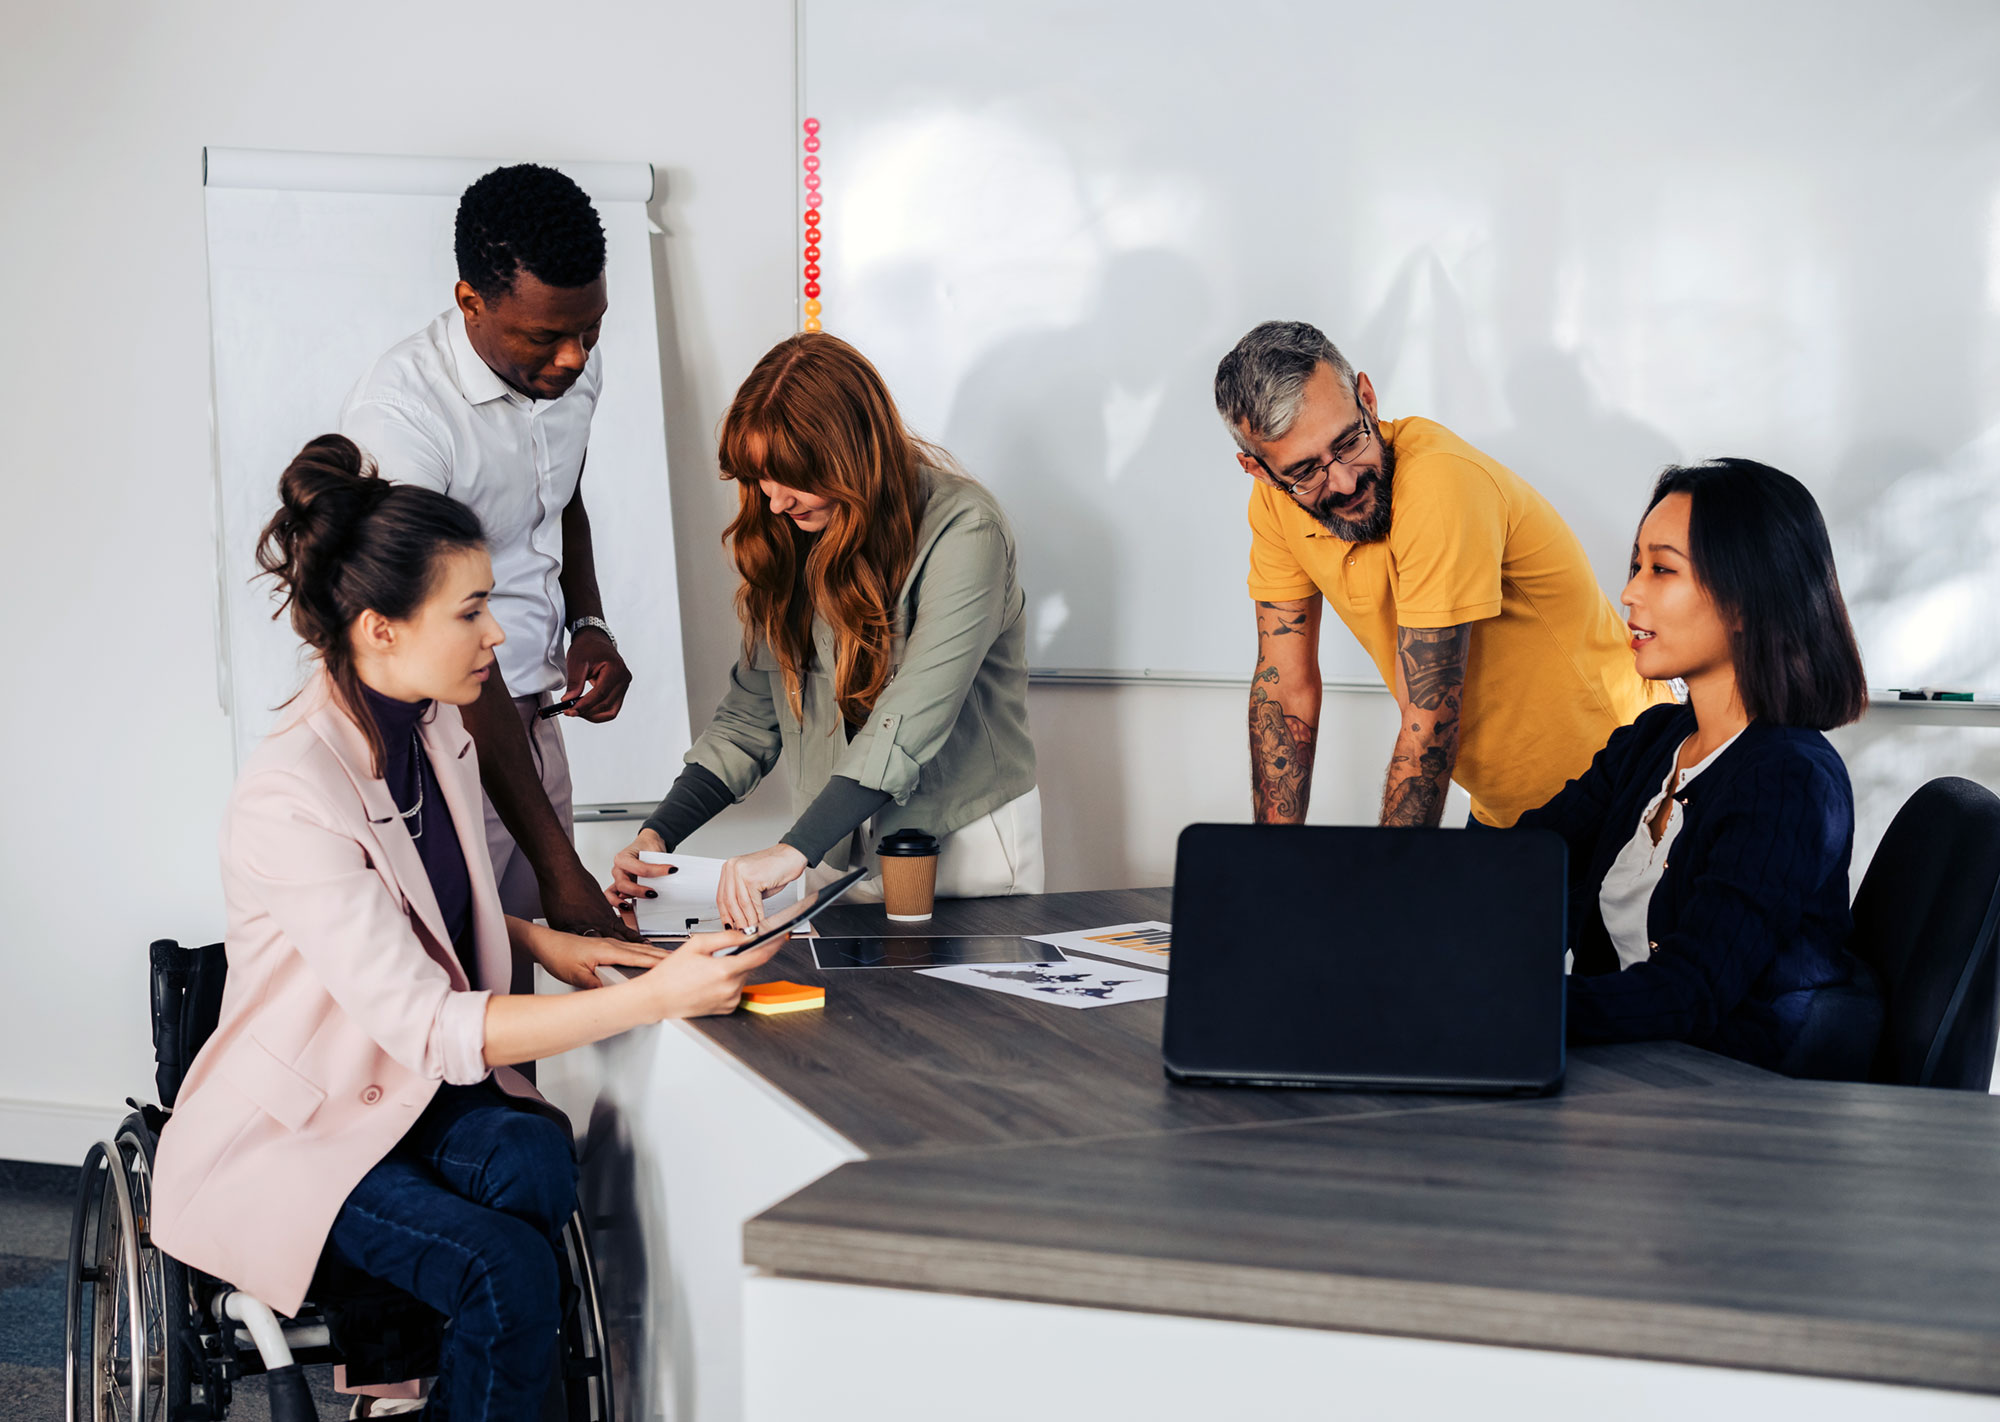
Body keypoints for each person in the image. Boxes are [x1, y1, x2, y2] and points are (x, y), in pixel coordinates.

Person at [150, 437, 779, 1418]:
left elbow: (420, 906)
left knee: (535, 1157)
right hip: (307, 1126)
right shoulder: (290, 794)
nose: (499, 636)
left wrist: (538, 940)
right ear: (381, 630)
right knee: (505, 1274)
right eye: (471, 610)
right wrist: (655, 997)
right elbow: (431, 1024)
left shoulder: (435, 725)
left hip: (411, 1095)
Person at [608, 333, 1041, 930]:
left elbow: (911, 716)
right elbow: (750, 717)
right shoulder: (791, 531)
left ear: (851, 456)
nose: (776, 500)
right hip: (835, 849)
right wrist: (658, 834)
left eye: (793, 477)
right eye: (762, 477)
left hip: (963, 846)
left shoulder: (967, 531)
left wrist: (792, 849)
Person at [1213, 321, 1673, 827]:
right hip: (1505, 810)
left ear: (1367, 398)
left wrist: (1393, 884)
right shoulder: (1277, 505)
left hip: (1621, 782)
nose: (1342, 481)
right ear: (1259, 470)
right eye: (1304, 471)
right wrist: (1267, 868)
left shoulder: (1437, 484)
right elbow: (1285, 688)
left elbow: (1429, 718)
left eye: (1348, 442)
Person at [342, 163, 635, 943]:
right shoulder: (403, 417)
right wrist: (560, 865)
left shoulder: (566, 365)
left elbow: (559, 492)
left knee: (537, 991)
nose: (574, 358)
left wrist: (590, 624)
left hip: (531, 720)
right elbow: (442, 631)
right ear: (471, 302)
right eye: (546, 336)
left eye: (591, 329)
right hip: (441, 731)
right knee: (458, 985)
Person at [1512, 459, 1879, 1076]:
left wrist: (1506, 1008)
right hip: (1637, 1068)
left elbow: (1692, 992)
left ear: (1744, 600)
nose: (1629, 591)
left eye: (1662, 569)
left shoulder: (1790, 781)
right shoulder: (1656, 740)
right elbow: (1527, 858)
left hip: (1731, 1097)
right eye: (1636, 566)